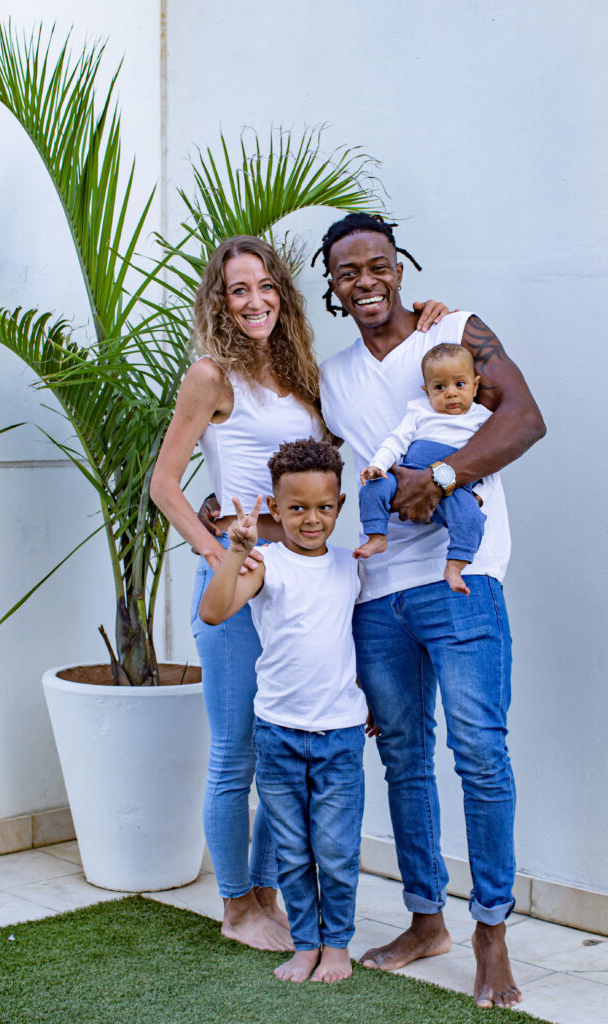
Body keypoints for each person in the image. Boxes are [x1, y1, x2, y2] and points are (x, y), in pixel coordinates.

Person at [151, 233, 447, 952]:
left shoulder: (303, 375)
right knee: (236, 752)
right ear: (220, 302)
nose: (253, 301)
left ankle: (266, 896)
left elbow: (365, 427)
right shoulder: (211, 376)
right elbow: (163, 485)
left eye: (264, 286)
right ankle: (235, 906)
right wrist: (217, 549)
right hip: (241, 574)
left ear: (282, 294)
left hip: (300, 579)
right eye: (238, 289)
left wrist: (425, 325)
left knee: (278, 740)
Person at [315, 212, 546, 1009]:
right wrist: (226, 508)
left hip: (461, 578)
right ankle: (424, 920)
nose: (366, 280)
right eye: (348, 271)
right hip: (379, 592)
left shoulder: (454, 332)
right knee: (404, 758)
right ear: (333, 287)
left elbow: (523, 418)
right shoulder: (333, 376)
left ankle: (490, 932)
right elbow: (304, 459)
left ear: (399, 268)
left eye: (377, 264)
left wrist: (441, 477)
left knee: (479, 753)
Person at [198, 438, 368, 983]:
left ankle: (337, 946)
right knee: (291, 851)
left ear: (340, 506)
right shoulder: (265, 563)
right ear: (275, 507)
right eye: (297, 508)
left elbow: (365, 639)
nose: (311, 519)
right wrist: (234, 551)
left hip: (340, 735)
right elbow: (213, 611)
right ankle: (306, 944)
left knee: (336, 850)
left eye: (323, 507)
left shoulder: (352, 566)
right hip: (278, 734)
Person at [355, 343, 494, 595]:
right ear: (426, 391)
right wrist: (377, 465)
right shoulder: (420, 410)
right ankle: (376, 536)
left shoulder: (481, 418)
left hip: (455, 489)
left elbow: (491, 463)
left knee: (472, 519)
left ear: (475, 386)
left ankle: (455, 566)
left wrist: (480, 496)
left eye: (459, 384)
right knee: (373, 486)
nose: (450, 393)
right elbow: (396, 440)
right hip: (407, 475)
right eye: (439, 387)